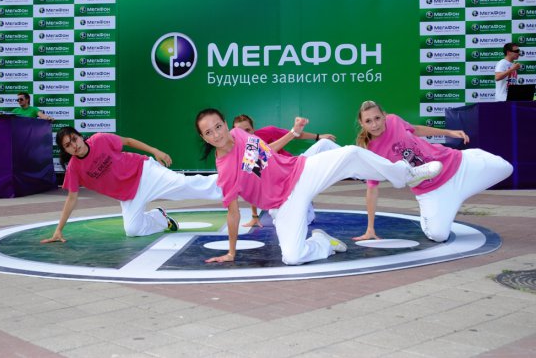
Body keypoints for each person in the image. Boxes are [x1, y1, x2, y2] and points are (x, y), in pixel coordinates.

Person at [195, 108, 443, 266]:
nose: (216, 134)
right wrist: (231, 252)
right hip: (282, 205)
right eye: (208, 132)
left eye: (218, 127)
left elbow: (265, 153)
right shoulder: (225, 170)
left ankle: (407, 173)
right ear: (203, 138)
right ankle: (323, 242)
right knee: (292, 257)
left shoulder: (240, 135)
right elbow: (233, 212)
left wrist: (293, 134)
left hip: (300, 173)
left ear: (225, 123)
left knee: (351, 153)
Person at [353, 100, 513, 243]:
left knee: (506, 168)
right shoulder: (370, 151)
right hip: (430, 190)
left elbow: (416, 129)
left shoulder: (394, 120)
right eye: (368, 121)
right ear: (361, 123)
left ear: (384, 116)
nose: (374, 125)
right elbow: (372, 189)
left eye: (377, 118)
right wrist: (370, 228)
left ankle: (470, 161)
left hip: (454, 164)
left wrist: (449, 132)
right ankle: (441, 208)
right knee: (438, 235)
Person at [41, 127, 222, 242]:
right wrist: (58, 230)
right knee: (133, 230)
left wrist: (155, 151)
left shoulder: (99, 139)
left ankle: (226, 181)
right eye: (68, 145)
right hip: (128, 195)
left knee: (183, 184)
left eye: (74, 139)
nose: (74, 145)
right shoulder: (74, 168)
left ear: (80, 137)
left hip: (144, 172)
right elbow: (71, 199)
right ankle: (160, 218)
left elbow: (127, 141)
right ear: (65, 151)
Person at [232, 114, 341, 227]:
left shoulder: (267, 132)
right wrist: (255, 216)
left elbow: (296, 134)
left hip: (297, 168)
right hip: (281, 188)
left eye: (247, 130)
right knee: (296, 219)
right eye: (240, 131)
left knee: (324, 144)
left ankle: (354, 160)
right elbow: (254, 185)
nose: (244, 134)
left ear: (253, 129)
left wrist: (318, 136)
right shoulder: (240, 153)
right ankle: (303, 201)